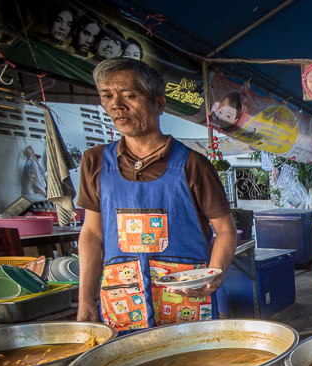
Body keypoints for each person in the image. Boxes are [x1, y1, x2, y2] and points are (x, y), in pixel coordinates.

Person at [76, 58, 237, 332]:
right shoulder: (95, 163)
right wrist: (84, 299)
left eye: (129, 95)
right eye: (107, 96)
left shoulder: (193, 165)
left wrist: (215, 274)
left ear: (159, 104)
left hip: (185, 301)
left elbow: (225, 230)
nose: (117, 105)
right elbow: (92, 234)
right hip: (122, 301)